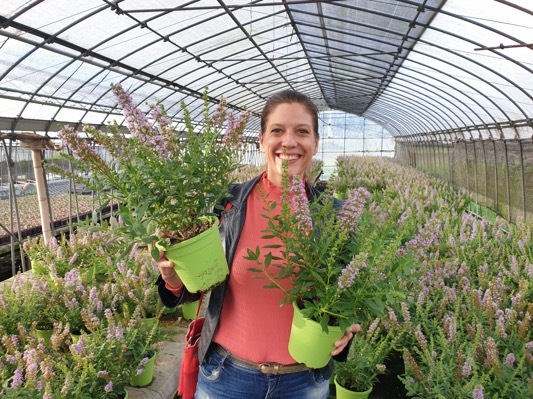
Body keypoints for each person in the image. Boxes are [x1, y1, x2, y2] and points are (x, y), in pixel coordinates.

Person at [156, 89, 359, 399]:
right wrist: (173, 279)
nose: (289, 142)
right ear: (261, 140)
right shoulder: (228, 204)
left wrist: (346, 329)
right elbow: (194, 283)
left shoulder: (336, 216)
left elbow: (347, 293)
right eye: (277, 131)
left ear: (315, 143)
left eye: (301, 132)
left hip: (303, 382)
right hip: (226, 377)